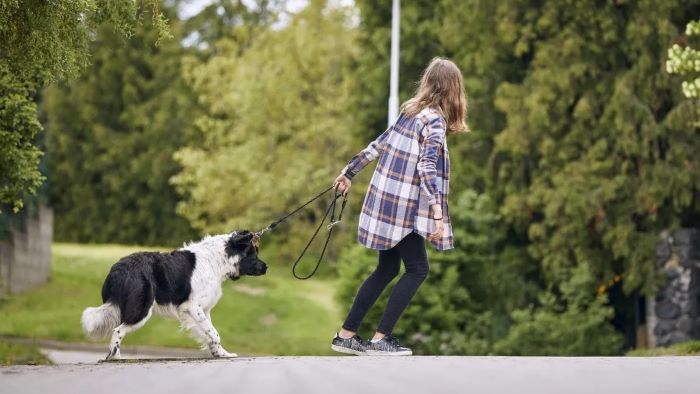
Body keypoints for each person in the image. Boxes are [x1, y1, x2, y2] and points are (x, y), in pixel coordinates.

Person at [331, 57, 469, 356]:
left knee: (388, 267)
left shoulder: (410, 111)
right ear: (452, 89)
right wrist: (437, 213)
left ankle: (346, 334)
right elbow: (427, 166)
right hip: (406, 207)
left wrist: (349, 171)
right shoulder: (433, 119)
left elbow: (379, 144)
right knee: (418, 269)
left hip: (386, 202)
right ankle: (381, 340)